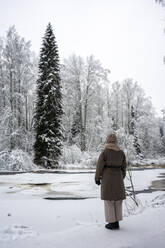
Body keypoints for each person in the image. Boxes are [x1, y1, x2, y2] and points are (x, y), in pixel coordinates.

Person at [95, 133, 127, 230]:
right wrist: (122, 177)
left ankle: (111, 223)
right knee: (117, 200)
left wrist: (97, 178)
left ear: (107, 141)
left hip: (107, 178)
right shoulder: (121, 152)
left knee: (109, 201)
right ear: (116, 141)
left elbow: (99, 166)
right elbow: (124, 167)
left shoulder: (105, 152)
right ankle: (116, 222)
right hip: (118, 178)